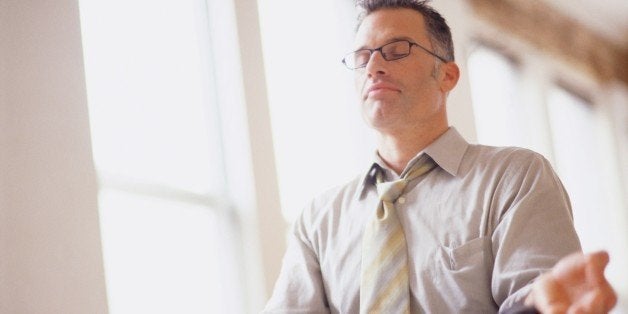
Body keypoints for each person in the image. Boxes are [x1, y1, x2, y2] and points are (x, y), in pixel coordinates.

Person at [263, 0, 617, 313]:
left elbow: (539, 299)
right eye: (361, 57)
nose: (373, 67)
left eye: (397, 49)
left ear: (447, 75)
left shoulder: (514, 178)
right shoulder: (317, 222)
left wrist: (538, 305)